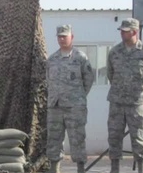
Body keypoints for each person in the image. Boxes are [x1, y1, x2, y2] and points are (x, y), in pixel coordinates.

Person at [107, 18, 143, 173]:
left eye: (126, 31)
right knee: (114, 136)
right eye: (121, 31)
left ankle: (142, 169)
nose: (122, 33)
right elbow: (110, 74)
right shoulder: (115, 52)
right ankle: (114, 169)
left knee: (138, 138)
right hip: (117, 102)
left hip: (136, 104)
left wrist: (140, 92)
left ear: (135, 32)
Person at [46, 24, 94, 173]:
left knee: (77, 140)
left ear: (71, 37)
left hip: (75, 108)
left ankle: (80, 169)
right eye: (59, 36)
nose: (61, 39)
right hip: (55, 107)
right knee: (54, 141)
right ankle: (55, 169)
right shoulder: (52, 59)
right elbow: (48, 81)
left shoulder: (80, 58)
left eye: (64, 36)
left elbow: (89, 80)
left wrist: (78, 96)